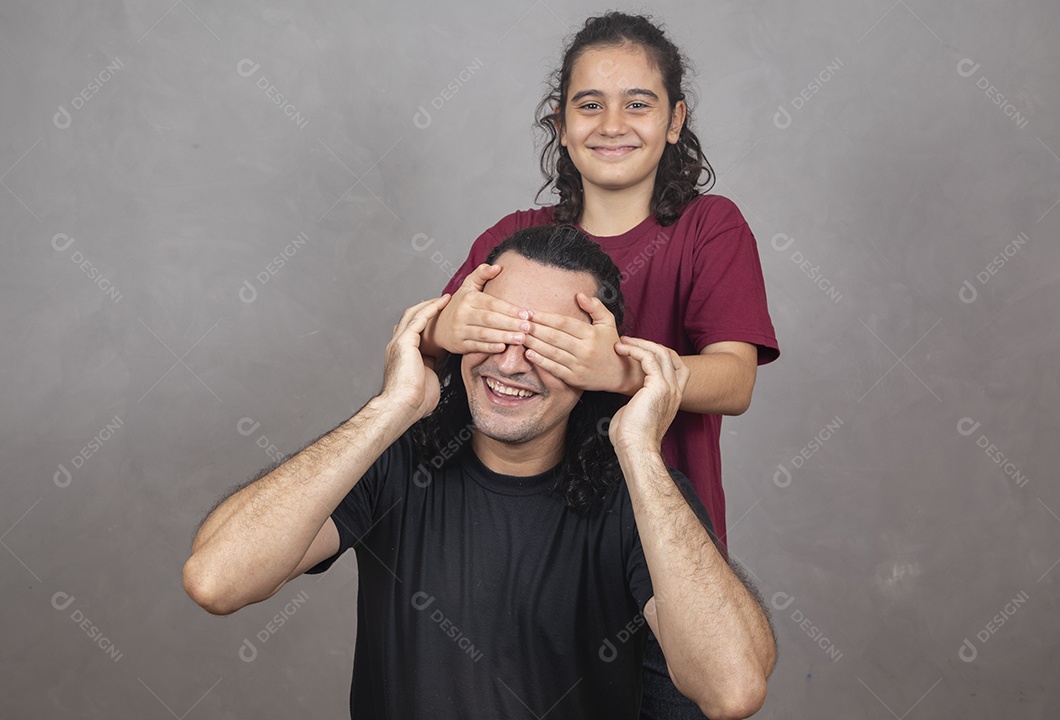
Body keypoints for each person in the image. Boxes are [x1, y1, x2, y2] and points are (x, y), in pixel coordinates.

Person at [183, 226, 776, 719]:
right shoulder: (395, 463)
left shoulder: (638, 499)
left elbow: (733, 689)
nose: (511, 362)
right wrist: (391, 408)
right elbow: (217, 580)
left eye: (548, 344)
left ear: (596, 363)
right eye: (494, 330)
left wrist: (642, 451)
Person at [420, 12, 780, 717]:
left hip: (661, 559)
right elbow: (431, 348)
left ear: (675, 120)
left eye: (637, 103)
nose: (612, 122)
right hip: (528, 561)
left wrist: (615, 370)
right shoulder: (513, 238)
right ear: (559, 122)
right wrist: (445, 327)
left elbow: (733, 380)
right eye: (590, 103)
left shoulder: (712, 228)